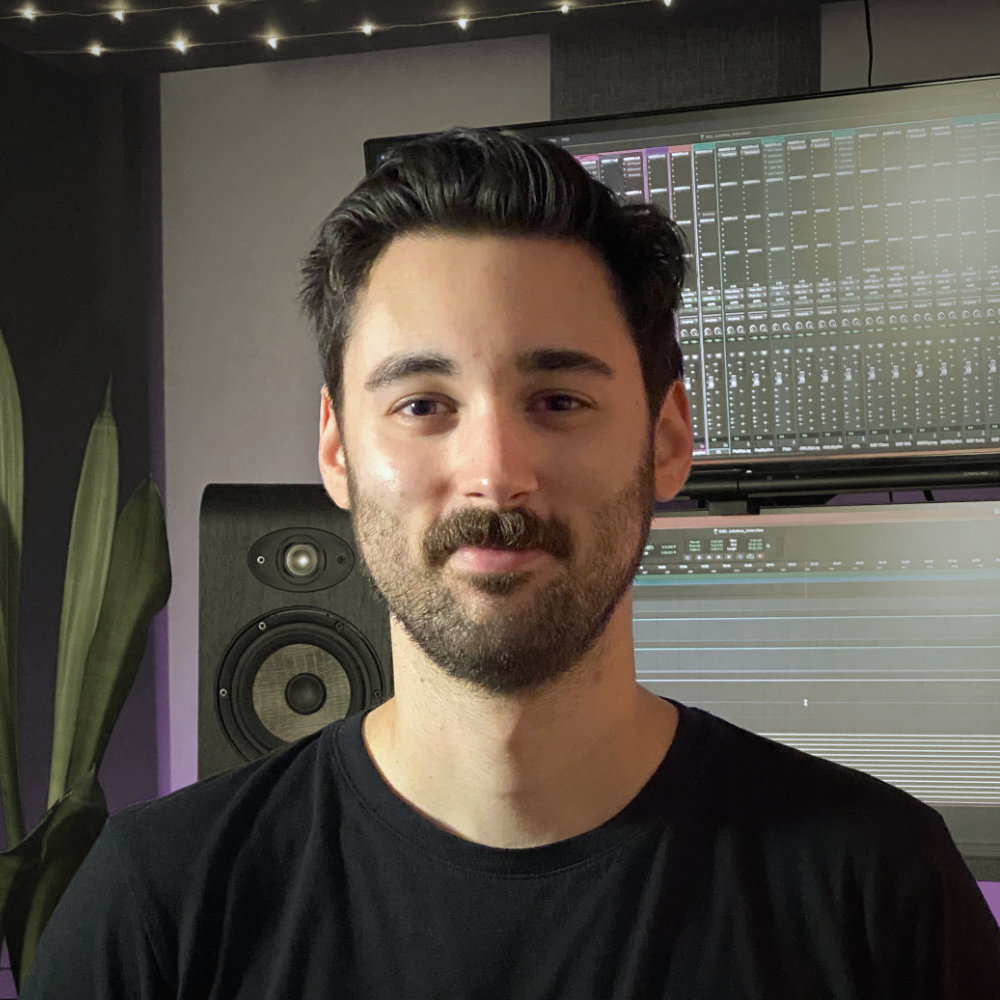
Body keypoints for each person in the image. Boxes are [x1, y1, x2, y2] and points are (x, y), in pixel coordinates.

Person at [22, 128, 999, 999]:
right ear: (336, 450)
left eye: (559, 399)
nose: (493, 474)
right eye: (423, 404)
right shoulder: (156, 909)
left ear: (666, 440)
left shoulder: (878, 887)